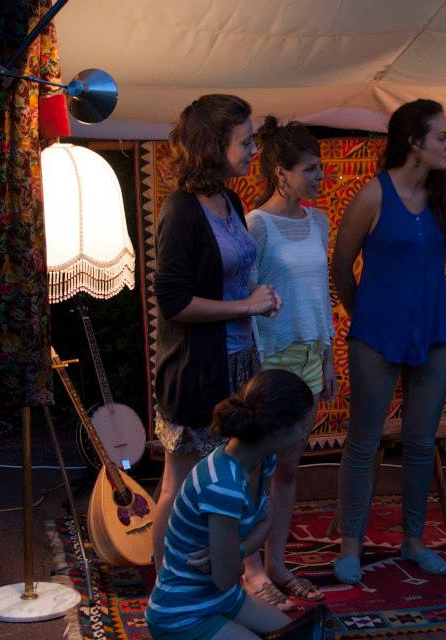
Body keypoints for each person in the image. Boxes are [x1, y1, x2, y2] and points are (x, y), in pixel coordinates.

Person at [331, 98, 446, 584]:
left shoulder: (441, 196)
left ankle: (414, 541)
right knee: (363, 441)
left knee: (420, 442)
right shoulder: (374, 195)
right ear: (414, 142)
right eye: (442, 137)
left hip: (433, 333)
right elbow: (341, 264)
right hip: (376, 334)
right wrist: (365, 314)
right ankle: (350, 546)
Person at [152, 94, 282, 569]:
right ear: (213, 146)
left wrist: (258, 297)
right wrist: (245, 305)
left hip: (241, 362)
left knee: (237, 477)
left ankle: (237, 574)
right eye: (245, 142)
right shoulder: (181, 210)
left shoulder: (229, 199)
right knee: (182, 483)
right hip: (197, 369)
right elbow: (174, 302)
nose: (253, 150)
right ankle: (166, 584)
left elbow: (228, 274)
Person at [145, 369, 328, 639]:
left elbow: (265, 520)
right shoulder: (224, 485)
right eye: (302, 426)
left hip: (224, 598)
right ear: (277, 429)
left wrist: (234, 552)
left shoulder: (263, 458)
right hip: (182, 614)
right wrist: (234, 559)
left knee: (305, 634)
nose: (305, 433)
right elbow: (225, 576)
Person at [239, 117, 335, 609]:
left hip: (310, 355)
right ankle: (251, 569)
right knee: (257, 466)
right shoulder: (257, 224)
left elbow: (320, 293)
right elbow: (247, 293)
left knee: (291, 467)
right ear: (281, 173)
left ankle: (277, 563)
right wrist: (255, 366)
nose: (320, 176)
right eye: (310, 169)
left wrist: (328, 357)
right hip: (271, 357)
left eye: (319, 167)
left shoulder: (319, 222)